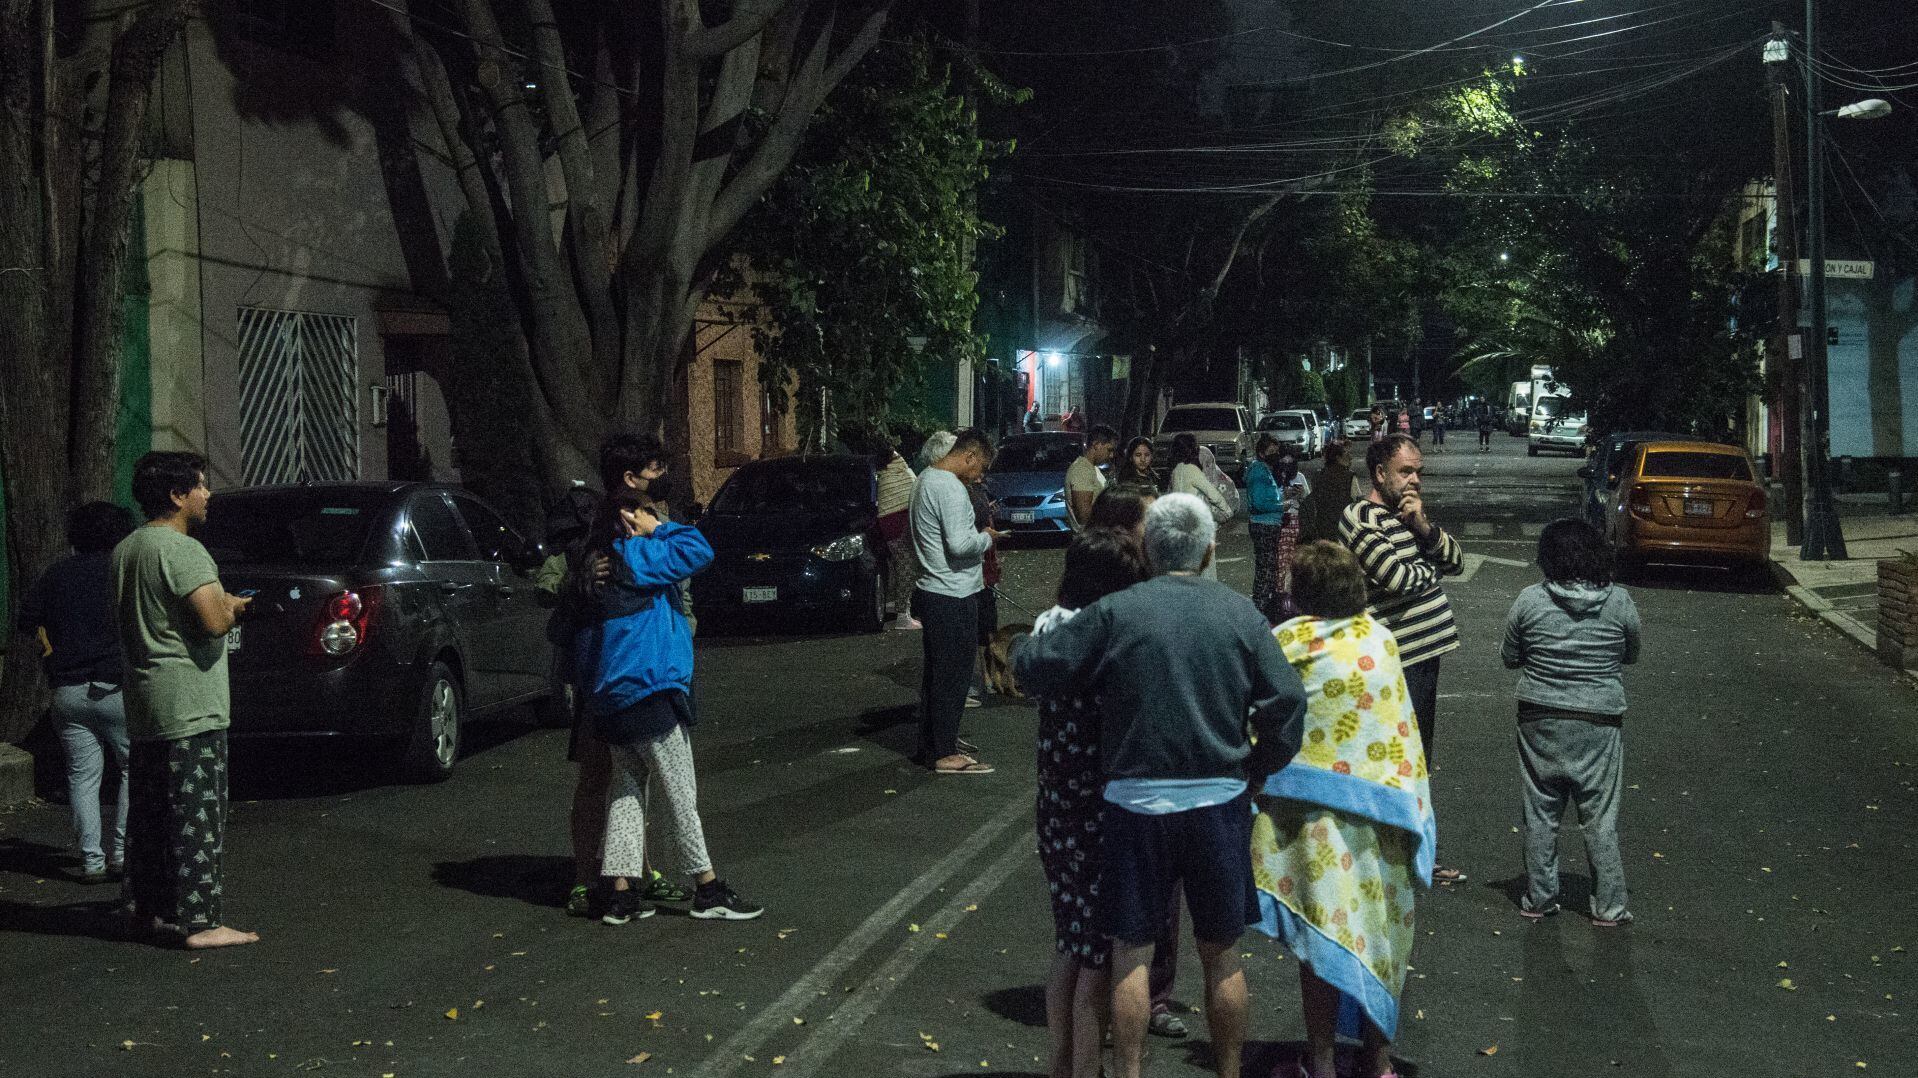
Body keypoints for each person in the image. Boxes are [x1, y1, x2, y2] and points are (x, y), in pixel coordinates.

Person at [1014, 493, 1308, 1078]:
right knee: (1222, 957)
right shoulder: (1239, 614)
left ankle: (1127, 1072)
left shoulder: (1119, 612)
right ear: (1209, 549)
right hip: (1218, 801)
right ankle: (1227, 1071)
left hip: (1135, 805)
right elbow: (1288, 701)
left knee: (1129, 955)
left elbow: (1032, 665)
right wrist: (1257, 765)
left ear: (1147, 547)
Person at [1254, 541, 1435, 1078]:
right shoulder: (1381, 639)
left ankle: (1323, 1063)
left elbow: (1260, 718)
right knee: (1382, 938)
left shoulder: (1284, 642)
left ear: (1300, 592)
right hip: (1389, 814)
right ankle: (1379, 1065)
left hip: (1313, 819)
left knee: (1320, 938)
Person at [574, 486, 762, 925]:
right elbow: (699, 550)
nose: (651, 517)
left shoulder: (599, 563)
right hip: (649, 688)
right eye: (643, 510)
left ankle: (620, 893)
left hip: (612, 694)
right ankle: (707, 886)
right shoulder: (637, 557)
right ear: (627, 516)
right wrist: (658, 529)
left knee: (626, 790)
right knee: (680, 790)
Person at [111, 451, 257, 949]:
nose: (208, 494)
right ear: (177, 496)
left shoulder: (126, 549)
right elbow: (212, 621)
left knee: (149, 817)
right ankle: (202, 921)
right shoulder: (185, 551)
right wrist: (236, 608)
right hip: (191, 703)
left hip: (146, 701)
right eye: (200, 485)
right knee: (197, 815)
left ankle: (144, 910)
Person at [1031, 528, 1152, 1078]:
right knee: (1099, 959)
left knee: (1071, 945)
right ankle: (1084, 1070)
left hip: (1057, 805)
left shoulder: (1052, 631)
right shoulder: (1100, 643)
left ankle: (1061, 1065)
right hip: (1096, 809)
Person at [560, 435, 696, 919]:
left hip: (649, 666)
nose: (665, 474)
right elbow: (563, 590)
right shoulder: (599, 535)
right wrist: (580, 578)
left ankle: (631, 874)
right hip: (607, 672)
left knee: (632, 778)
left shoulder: (649, 524)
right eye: (656, 467)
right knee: (602, 776)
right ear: (630, 477)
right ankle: (585, 879)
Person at [1502, 519, 1641, 926]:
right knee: (1600, 816)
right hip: (1599, 719)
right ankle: (1610, 906)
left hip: (1538, 717)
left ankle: (1540, 897)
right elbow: (1631, 653)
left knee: (1541, 812)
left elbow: (1510, 655)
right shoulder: (1619, 601)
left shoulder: (1529, 600)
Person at [1340, 434, 1465, 882]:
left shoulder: (1410, 519)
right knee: (1396, 757)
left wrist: (1425, 529)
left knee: (1420, 758)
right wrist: (1429, 568)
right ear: (1379, 474)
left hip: (1426, 654)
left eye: (1418, 471)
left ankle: (1414, 852)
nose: (1414, 480)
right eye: (1405, 472)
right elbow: (1397, 578)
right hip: (1397, 660)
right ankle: (1396, 858)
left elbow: (1457, 560)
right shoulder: (1360, 518)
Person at [15, 501, 135, 884]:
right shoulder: (122, 572)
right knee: (134, 769)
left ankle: (91, 860)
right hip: (115, 686)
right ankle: (121, 853)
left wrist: (50, 646)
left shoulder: (56, 574)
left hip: (68, 690)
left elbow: (26, 621)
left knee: (82, 778)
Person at [909, 428, 1004, 773]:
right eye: (981, 467)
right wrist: (985, 538)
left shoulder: (924, 479)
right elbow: (960, 545)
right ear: (969, 456)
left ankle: (933, 745)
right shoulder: (949, 487)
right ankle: (945, 752)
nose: (980, 476)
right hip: (953, 592)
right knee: (953, 675)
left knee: (937, 674)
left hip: (935, 590)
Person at [1168, 435, 1233, 582]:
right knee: (1207, 568)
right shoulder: (1193, 470)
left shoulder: (1176, 471)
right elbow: (1213, 494)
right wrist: (1227, 511)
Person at [874, 436, 921, 626]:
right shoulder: (896, 467)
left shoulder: (887, 468)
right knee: (906, 566)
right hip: (897, 523)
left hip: (891, 521)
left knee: (898, 566)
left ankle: (895, 604)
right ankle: (903, 614)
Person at [1245, 434, 1289, 621]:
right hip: (1264, 524)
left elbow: (1268, 496)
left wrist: (1283, 496)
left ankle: (1263, 608)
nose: (1276, 455)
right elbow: (1259, 502)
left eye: (1276, 452)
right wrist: (1281, 506)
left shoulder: (1264, 470)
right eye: (1272, 452)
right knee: (1266, 570)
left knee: (1269, 568)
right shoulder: (1258, 472)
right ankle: (1260, 610)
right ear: (1262, 453)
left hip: (1269, 523)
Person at [1066, 425, 1118, 530]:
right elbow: (1084, 516)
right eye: (1109, 450)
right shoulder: (1082, 470)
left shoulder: (1091, 468)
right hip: (1090, 539)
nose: (1111, 455)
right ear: (1096, 445)